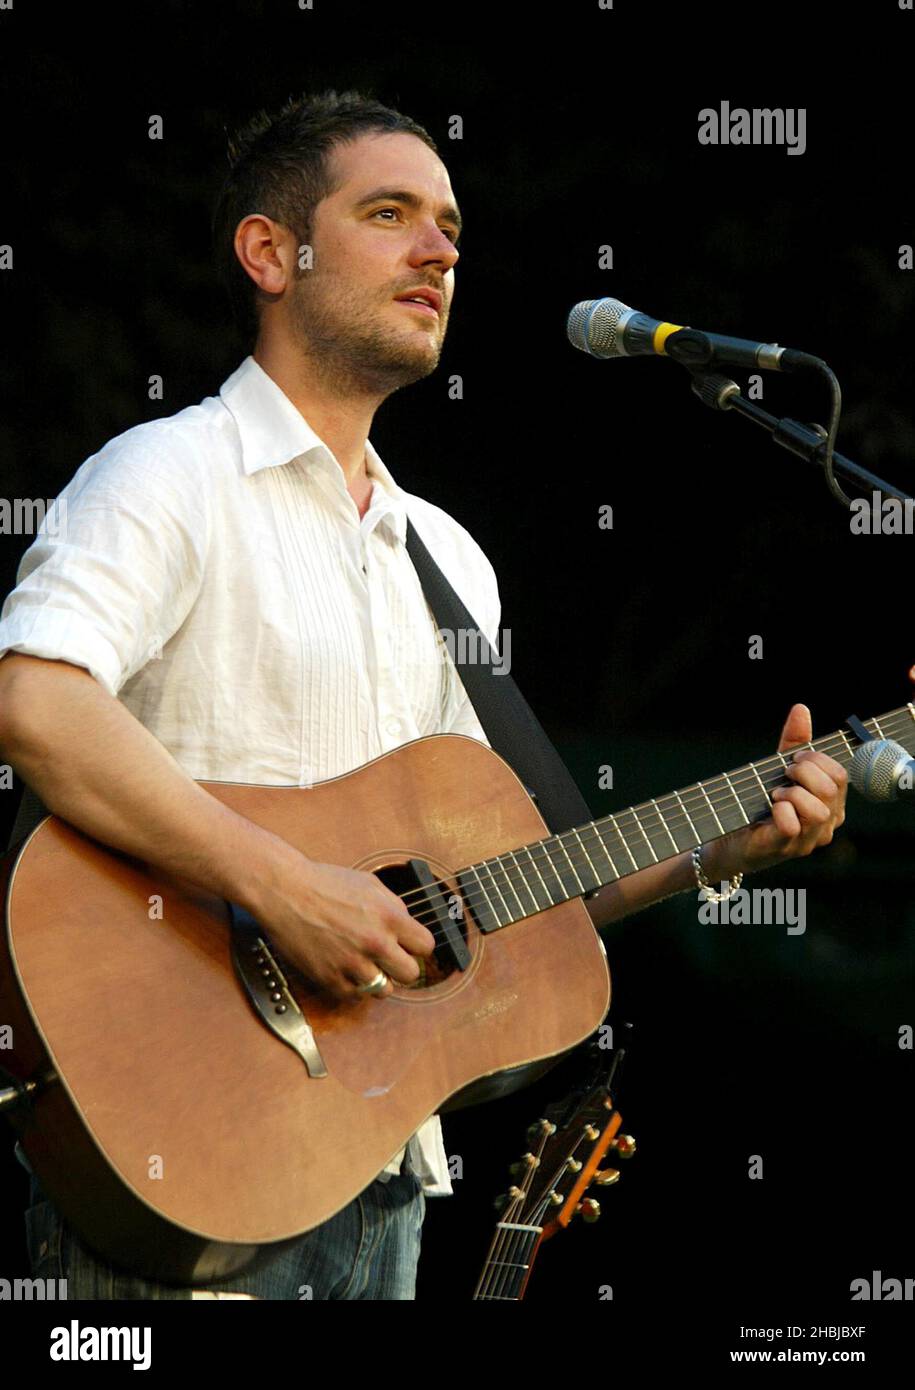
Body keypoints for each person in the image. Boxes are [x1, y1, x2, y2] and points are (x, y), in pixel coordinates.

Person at [0, 89, 848, 1300]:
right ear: (269, 252)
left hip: (387, 1175)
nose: (441, 250)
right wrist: (287, 890)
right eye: (390, 213)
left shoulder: (447, 557)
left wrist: (723, 846)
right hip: (190, 1163)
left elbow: (492, 899)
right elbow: (35, 704)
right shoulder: (165, 477)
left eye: (449, 224)